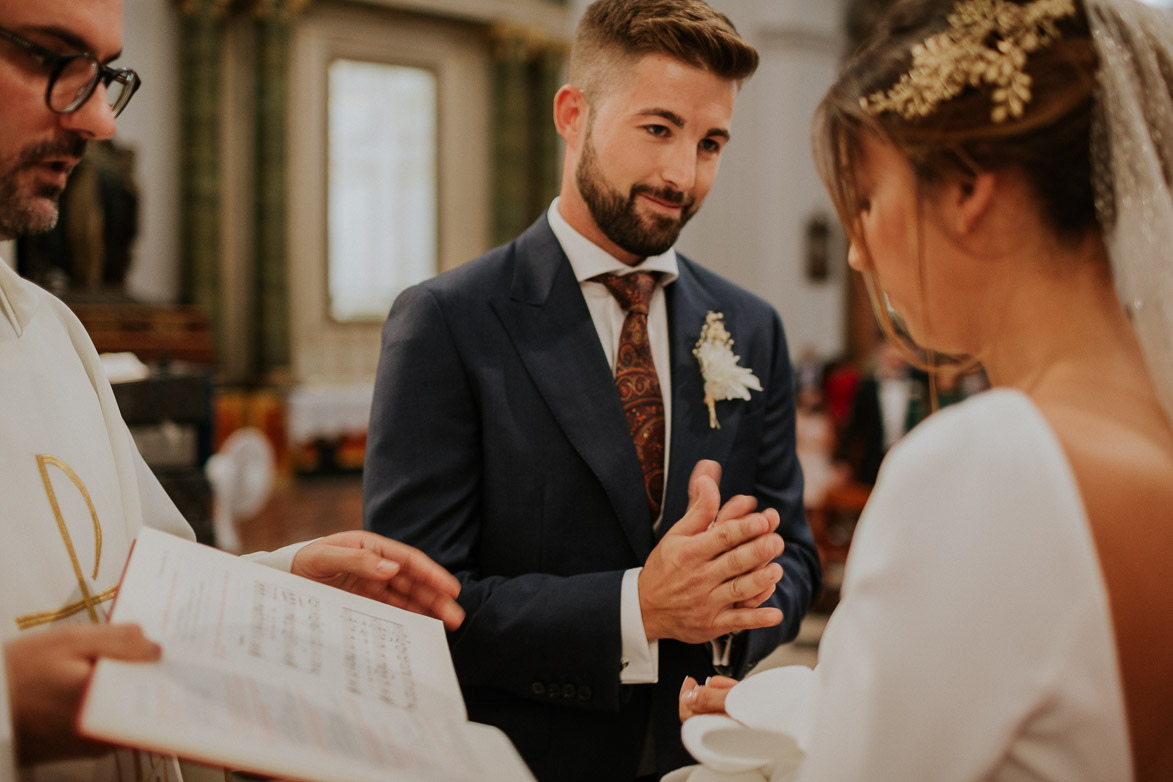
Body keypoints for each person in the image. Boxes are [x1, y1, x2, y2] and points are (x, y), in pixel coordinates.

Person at [678, 0, 1173, 780]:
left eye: (867, 200)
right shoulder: (1151, 425)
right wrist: (793, 709)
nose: (855, 255)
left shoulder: (984, 465)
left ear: (967, 188)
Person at [0, 1, 464, 779]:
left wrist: (290, 585)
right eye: (56, 60)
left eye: (107, 75)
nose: (102, 121)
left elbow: (136, 592)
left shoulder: (48, 328)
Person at [362, 1, 821, 779]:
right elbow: (410, 610)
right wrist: (636, 610)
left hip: (702, 757)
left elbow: (797, 557)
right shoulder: (448, 321)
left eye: (710, 143)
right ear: (573, 114)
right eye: (658, 128)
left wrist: (723, 628)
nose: (683, 174)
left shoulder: (750, 325)